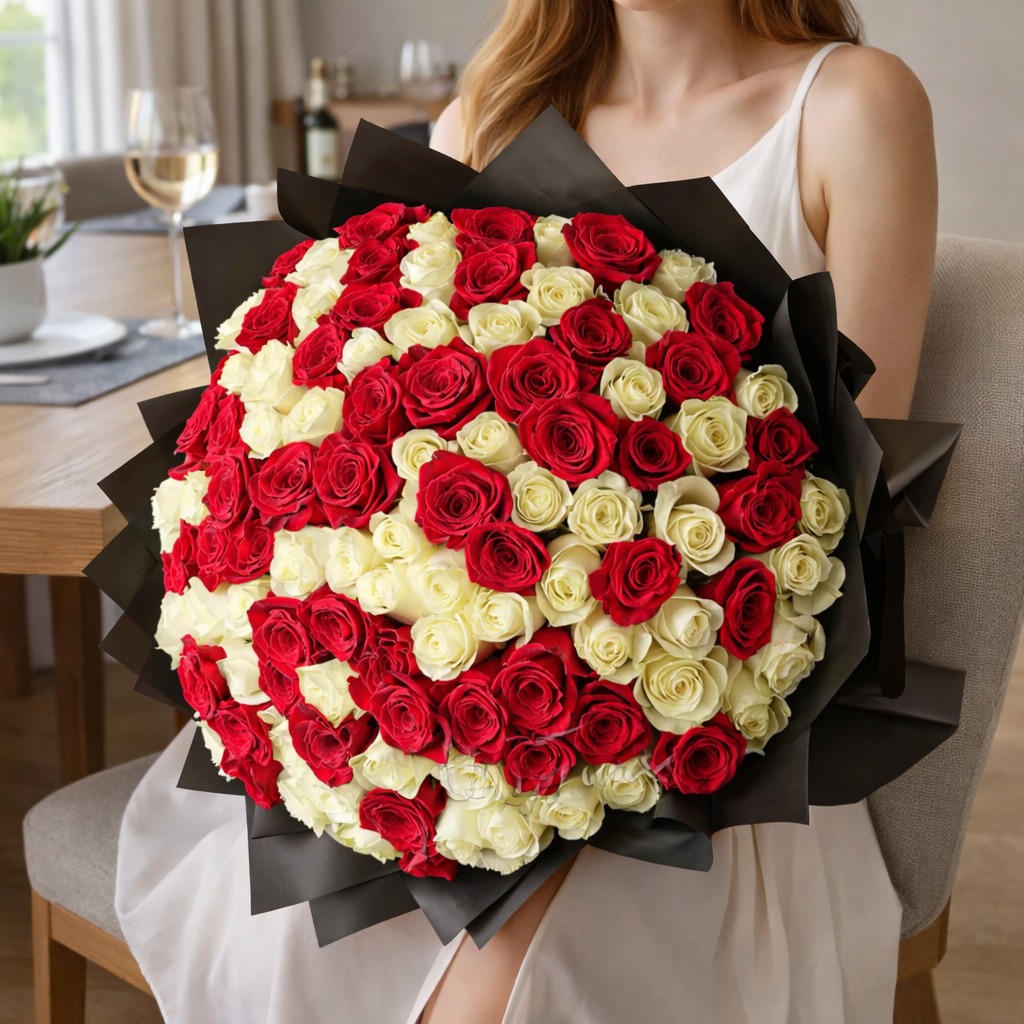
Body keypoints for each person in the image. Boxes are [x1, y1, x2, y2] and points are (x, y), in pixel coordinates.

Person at [116, 1, 937, 1021]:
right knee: (303, 942)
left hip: (704, 730)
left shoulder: (852, 104)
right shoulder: (490, 111)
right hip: (460, 723)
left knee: (490, 994)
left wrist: (610, 668)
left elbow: (858, 492)